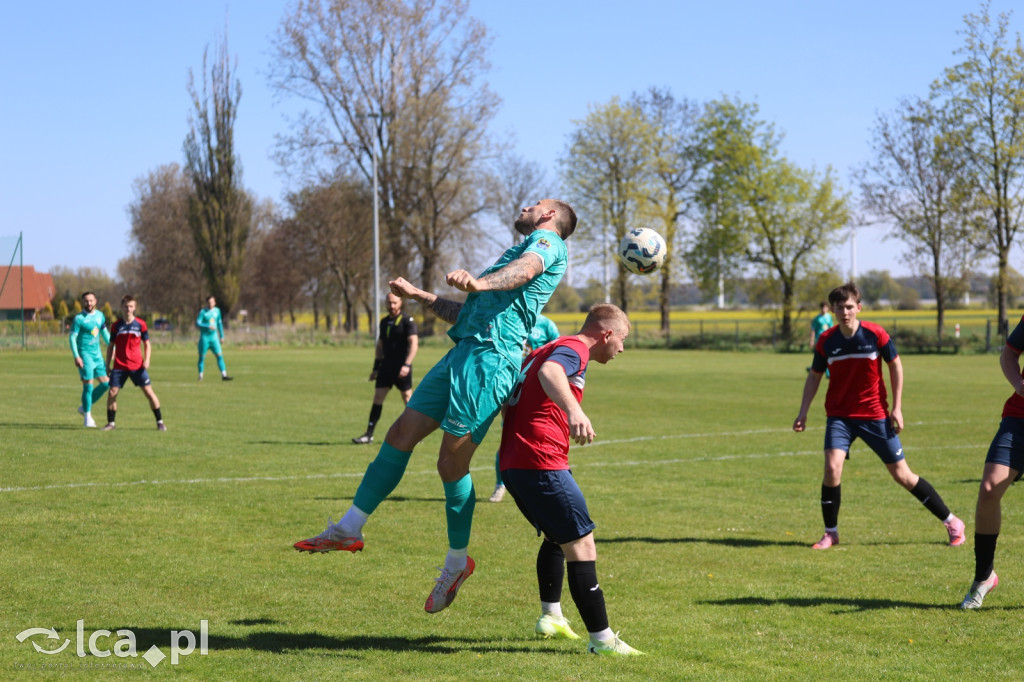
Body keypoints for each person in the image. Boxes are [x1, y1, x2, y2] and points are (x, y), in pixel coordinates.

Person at [294, 199, 576, 615]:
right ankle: (348, 528)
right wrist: (418, 295)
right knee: (399, 434)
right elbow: (466, 311)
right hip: (465, 351)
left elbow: (527, 269)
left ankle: (457, 564)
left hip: (491, 361)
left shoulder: (546, 243)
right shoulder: (515, 255)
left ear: (549, 215)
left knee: (450, 466)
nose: (525, 207)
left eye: (535, 204)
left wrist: (480, 283)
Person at [500, 303, 642, 656]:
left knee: (557, 537)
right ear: (606, 334)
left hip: (516, 462)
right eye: (622, 339)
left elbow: (514, 391)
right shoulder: (573, 349)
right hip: (539, 461)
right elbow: (551, 373)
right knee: (582, 544)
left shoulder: (547, 346)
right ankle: (604, 641)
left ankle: (551, 616)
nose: (622, 349)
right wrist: (574, 411)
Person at [793, 282, 965, 550]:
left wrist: (897, 407)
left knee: (902, 475)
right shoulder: (827, 341)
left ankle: (953, 522)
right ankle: (831, 533)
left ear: (859, 307)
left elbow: (895, 365)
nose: (845, 312)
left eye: (850, 307)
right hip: (840, 417)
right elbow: (814, 377)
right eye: (840, 308)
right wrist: (803, 412)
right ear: (834, 310)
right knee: (831, 467)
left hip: (874, 415)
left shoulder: (875, 334)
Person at [958, 313, 1024, 608]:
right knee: (988, 490)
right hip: (1019, 418)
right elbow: (1009, 353)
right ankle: (984, 577)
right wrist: (1020, 386)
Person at [490, 313, 560, 502]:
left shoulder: (547, 325)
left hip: (536, 387)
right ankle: (500, 484)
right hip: (510, 384)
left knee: (536, 436)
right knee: (509, 436)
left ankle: (536, 483)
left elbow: (558, 354)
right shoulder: (510, 320)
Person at [352, 293, 419, 444]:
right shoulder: (383, 322)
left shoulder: (408, 321)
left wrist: (407, 365)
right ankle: (368, 435)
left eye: (394, 303)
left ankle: (416, 434)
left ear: (400, 302)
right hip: (386, 367)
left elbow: (414, 344)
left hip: (402, 368)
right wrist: (376, 368)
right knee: (377, 398)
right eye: (389, 303)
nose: (392, 306)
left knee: (408, 400)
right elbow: (380, 345)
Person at [102, 295, 166, 431]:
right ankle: (111, 424)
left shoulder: (141, 324)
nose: (128, 309)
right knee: (112, 393)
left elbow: (147, 344)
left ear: (134, 308)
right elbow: (110, 346)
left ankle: (160, 422)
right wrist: (107, 365)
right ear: (121, 308)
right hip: (119, 365)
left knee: (148, 392)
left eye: (131, 306)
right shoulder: (116, 326)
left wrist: (147, 359)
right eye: (126, 306)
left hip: (137, 366)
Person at [69, 291, 110, 428]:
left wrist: (113, 348)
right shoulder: (79, 319)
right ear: (83, 302)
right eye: (86, 301)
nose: (89, 303)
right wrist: (76, 356)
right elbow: (72, 338)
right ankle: (87, 417)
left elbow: (104, 333)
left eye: (91, 300)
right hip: (84, 356)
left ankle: (84, 407)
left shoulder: (100, 316)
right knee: (88, 386)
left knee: (106, 384)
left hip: (97, 356)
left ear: (95, 301)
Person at [196, 295, 232, 381]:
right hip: (205, 338)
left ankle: (224, 375)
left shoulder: (217, 311)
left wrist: (222, 336)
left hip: (214, 338)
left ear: (215, 302)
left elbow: (219, 324)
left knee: (220, 356)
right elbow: (198, 323)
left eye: (212, 302)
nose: (211, 303)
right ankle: (200, 376)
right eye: (209, 302)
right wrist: (207, 325)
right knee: (201, 357)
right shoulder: (203, 312)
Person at [808, 301, 834, 376]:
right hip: (819, 339)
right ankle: (821, 370)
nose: (824, 309)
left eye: (825, 307)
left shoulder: (829, 316)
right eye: (823, 307)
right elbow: (813, 330)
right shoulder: (817, 319)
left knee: (828, 354)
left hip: (828, 338)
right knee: (821, 355)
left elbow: (831, 327)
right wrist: (812, 340)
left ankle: (827, 371)